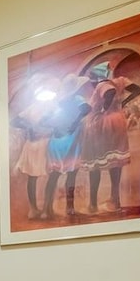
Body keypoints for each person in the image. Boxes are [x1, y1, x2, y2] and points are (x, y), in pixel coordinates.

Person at [80, 67, 140, 213]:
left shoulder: (103, 84)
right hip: (117, 120)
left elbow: (109, 92)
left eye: (92, 80)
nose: (92, 84)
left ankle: (93, 204)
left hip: (101, 124)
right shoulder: (120, 81)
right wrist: (123, 102)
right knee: (114, 161)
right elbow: (138, 90)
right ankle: (115, 200)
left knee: (95, 163)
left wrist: (103, 109)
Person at [41, 74, 92, 219]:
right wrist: (73, 122)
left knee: (57, 175)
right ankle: (64, 208)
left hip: (62, 140)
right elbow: (87, 108)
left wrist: (58, 124)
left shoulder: (60, 101)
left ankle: (49, 208)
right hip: (68, 140)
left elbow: (44, 120)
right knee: (68, 175)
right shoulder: (75, 99)